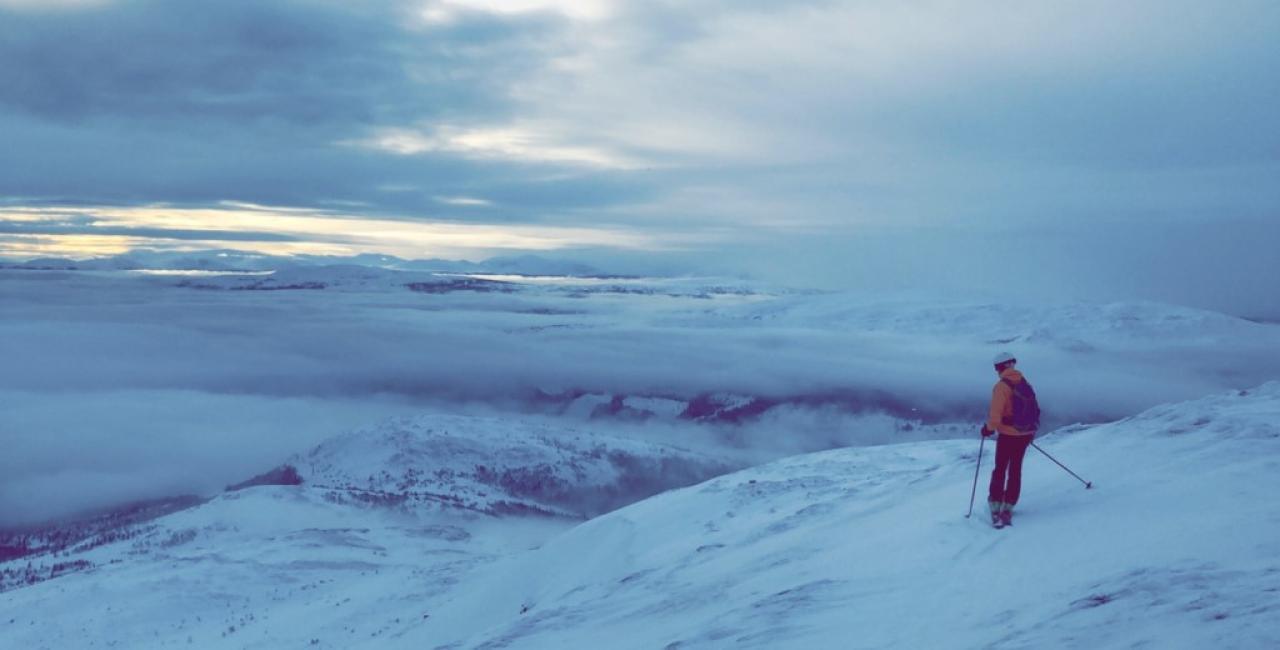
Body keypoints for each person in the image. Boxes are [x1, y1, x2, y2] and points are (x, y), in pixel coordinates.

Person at [981, 352, 1038, 528]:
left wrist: (987, 430)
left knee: (1000, 469)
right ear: (1012, 364)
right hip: (1026, 433)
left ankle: (996, 503)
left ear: (999, 367)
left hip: (1008, 435)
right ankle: (1009, 505)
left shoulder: (1002, 387)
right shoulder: (1024, 382)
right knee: (1015, 470)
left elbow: (995, 416)